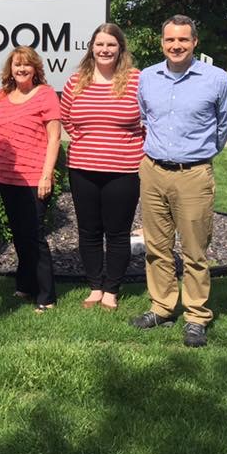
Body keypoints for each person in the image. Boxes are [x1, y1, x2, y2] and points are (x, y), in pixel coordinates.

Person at [132, 15, 227, 348]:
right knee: (157, 247)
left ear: (195, 42)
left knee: (194, 251)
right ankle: (162, 307)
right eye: (170, 40)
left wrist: (200, 153)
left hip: (193, 173)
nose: (176, 46)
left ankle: (195, 317)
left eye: (183, 40)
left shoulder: (217, 79)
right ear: (161, 42)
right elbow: (145, 118)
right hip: (153, 171)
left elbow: (226, 124)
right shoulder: (147, 77)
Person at [60, 23, 144, 311]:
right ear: (92, 48)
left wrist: (133, 143)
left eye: (111, 45)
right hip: (82, 167)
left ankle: (112, 289)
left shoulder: (136, 80)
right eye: (100, 45)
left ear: (120, 48)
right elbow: (66, 117)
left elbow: (148, 119)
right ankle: (95, 286)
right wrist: (85, 138)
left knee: (118, 232)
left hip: (123, 168)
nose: (105, 50)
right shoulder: (77, 81)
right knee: (89, 230)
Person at [0, 46, 62, 312]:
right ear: (10, 68)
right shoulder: (1, 96)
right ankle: (25, 284)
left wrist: (47, 175)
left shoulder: (45, 95)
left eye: (27, 65)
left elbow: (54, 137)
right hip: (7, 177)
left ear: (35, 69)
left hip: (35, 177)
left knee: (35, 235)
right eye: (17, 64)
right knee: (19, 235)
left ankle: (47, 296)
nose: (21, 69)